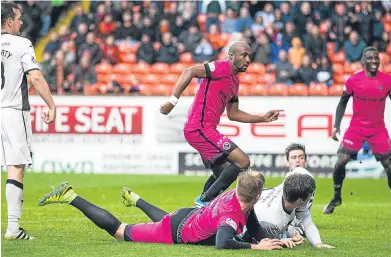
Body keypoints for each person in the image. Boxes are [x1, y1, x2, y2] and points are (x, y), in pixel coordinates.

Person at [38, 171, 298, 250]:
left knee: (164, 220)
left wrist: (279, 240)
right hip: (176, 230)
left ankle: (135, 199)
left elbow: (253, 228)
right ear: (256, 195)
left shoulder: (239, 198)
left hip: (186, 216)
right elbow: (222, 243)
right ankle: (70, 195)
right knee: (119, 232)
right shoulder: (231, 214)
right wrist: (256, 247)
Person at [160, 41, 283, 207]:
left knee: (223, 173)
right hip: (198, 128)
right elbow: (189, 71)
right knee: (243, 161)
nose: (248, 59)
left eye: (249, 56)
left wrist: (262, 118)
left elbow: (233, 114)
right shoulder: (220, 68)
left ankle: (200, 209)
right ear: (231, 57)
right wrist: (172, 101)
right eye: (244, 55)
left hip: (205, 129)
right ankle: (204, 201)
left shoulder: (234, 82)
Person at [1, 1, 56, 240]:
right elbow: (35, 77)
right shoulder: (22, 43)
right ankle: (13, 228)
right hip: (13, 110)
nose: (21, 22)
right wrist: (51, 105)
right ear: (9, 21)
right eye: (18, 18)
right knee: (16, 166)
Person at [324, 47, 391, 214]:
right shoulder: (354, 80)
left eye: (376, 58)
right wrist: (336, 126)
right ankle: (336, 197)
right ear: (363, 60)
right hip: (357, 127)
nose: (374, 61)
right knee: (340, 162)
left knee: (389, 165)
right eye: (370, 58)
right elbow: (342, 102)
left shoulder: (387, 80)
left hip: (378, 129)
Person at [236, 166, 335, 249]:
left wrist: (318, 244)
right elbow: (261, 238)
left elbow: (306, 220)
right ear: (300, 200)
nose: (311, 197)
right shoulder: (274, 222)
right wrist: (284, 238)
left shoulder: (293, 183)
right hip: (238, 221)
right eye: (310, 195)